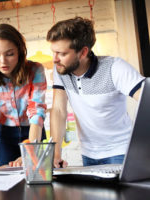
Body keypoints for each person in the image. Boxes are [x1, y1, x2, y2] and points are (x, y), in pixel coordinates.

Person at [46, 17, 145, 168]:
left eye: (62, 53)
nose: (55, 59)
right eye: (54, 52)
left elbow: (146, 99)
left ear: (83, 52)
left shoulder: (115, 68)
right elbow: (59, 110)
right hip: (88, 154)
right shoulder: (61, 69)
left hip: (121, 152)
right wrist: (56, 152)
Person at [0, 23, 47, 168]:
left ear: (19, 51)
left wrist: (30, 150)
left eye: (10, 54)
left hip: (33, 131)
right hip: (6, 136)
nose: (3, 61)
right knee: (2, 180)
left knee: (37, 178)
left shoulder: (35, 70)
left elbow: (36, 111)